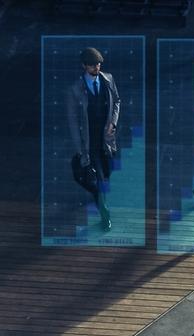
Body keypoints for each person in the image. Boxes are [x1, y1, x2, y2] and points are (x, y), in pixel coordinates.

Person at [66, 48, 120, 232]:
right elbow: (73, 122)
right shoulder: (75, 90)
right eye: (92, 65)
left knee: (107, 172)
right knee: (100, 178)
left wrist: (113, 123)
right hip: (89, 141)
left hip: (106, 138)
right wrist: (80, 149)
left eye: (98, 64)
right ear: (84, 66)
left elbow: (117, 101)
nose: (96, 67)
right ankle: (105, 215)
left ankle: (98, 193)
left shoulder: (108, 79)